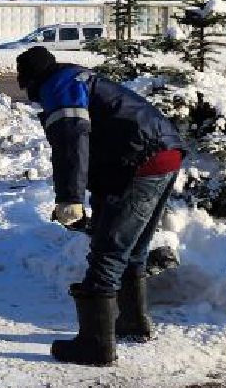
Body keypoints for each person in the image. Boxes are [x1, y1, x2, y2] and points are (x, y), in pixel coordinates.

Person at [16, 45, 184, 367]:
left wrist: (70, 200)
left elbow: (72, 142)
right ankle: (132, 324)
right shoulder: (80, 79)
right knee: (131, 249)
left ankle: (95, 347)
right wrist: (97, 199)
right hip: (164, 153)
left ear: (32, 80)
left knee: (108, 252)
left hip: (142, 160)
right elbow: (103, 144)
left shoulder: (59, 86)